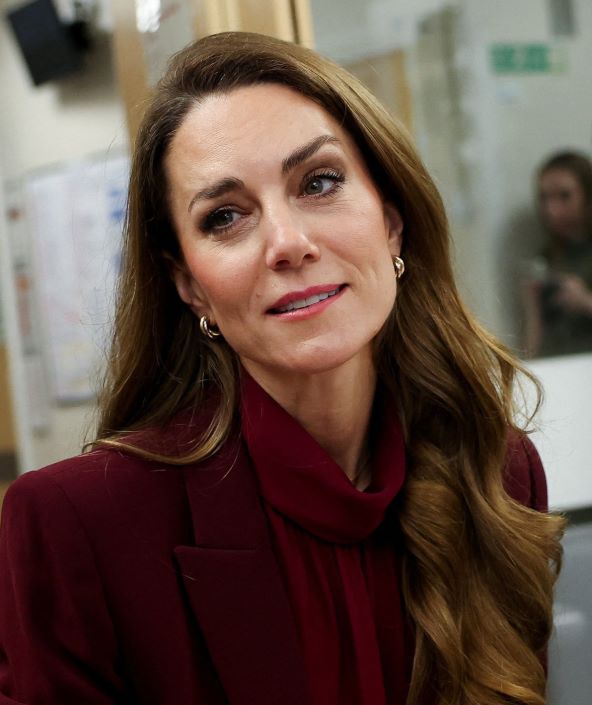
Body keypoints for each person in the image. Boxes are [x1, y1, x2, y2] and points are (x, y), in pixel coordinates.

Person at [0, 32, 564, 705]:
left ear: (391, 221)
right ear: (190, 285)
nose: (288, 243)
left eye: (319, 183)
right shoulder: (76, 524)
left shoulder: (500, 474)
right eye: (226, 217)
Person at [523, 150, 592, 357]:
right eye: (544, 198)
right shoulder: (547, 257)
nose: (551, 209)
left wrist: (584, 301)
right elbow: (534, 339)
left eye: (565, 196)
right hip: (558, 364)